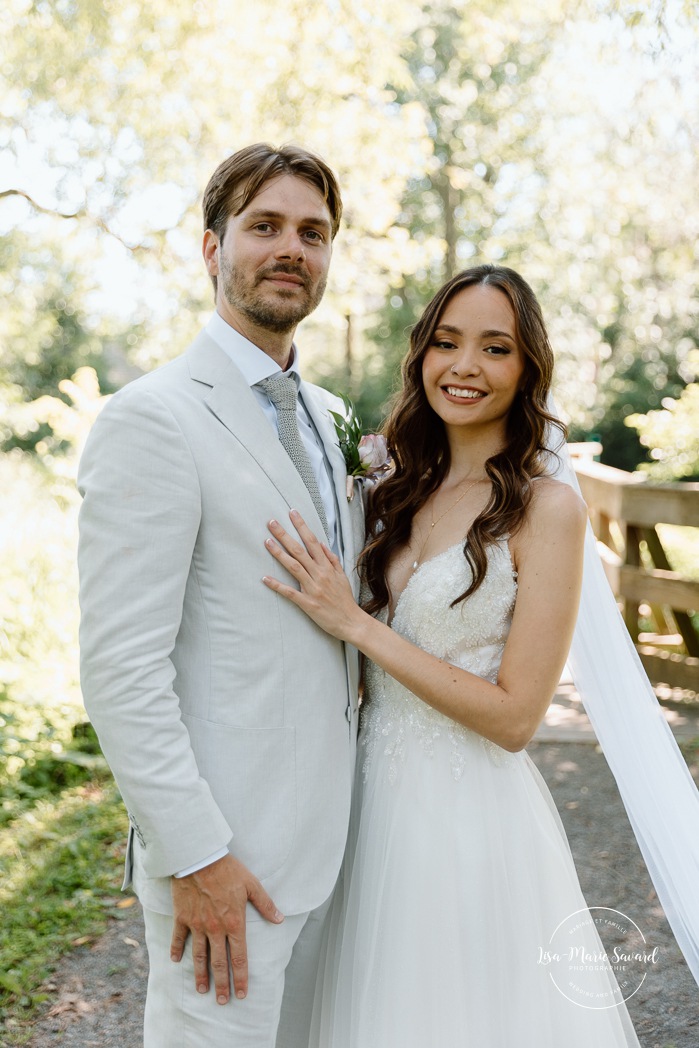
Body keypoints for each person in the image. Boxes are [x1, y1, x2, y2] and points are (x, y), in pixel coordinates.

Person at [262, 264, 645, 1045]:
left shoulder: (547, 507)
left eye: (494, 348)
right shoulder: (391, 485)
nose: (464, 366)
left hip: (465, 816)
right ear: (421, 357)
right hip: (357, 803)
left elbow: (516, 717)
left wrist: (362, 627)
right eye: (446, 342)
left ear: (526, 367)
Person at [77, 143, 365, 1048]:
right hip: (224, 865)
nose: (292, 249)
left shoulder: (331, 418)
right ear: (212, 249)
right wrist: (195, 856)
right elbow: (121, 669)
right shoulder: (151, 419)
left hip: (334, 853)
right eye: (265, 226)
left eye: (312, 233)